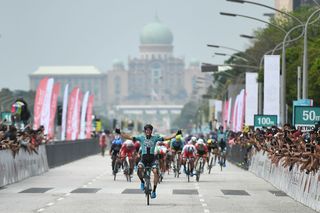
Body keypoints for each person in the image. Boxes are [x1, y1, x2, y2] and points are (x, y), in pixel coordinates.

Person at [116, 124, 181, 199]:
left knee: (156, 172)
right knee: (139, 169)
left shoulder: (155, 138)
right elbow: (129, 137)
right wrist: (120, 132)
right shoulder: (141, 137)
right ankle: (142, 182)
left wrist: (176, 134)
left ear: (151, 131)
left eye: (149, 130)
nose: (148, 131)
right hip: (144, 159)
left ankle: (154, 191)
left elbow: (166, 138)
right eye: (146, 130)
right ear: (145, 131)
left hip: (152, 159)